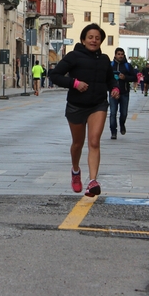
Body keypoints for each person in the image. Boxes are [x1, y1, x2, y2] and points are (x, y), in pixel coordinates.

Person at [50, 23, 119, 197]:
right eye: (90, 37)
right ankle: (75, 171)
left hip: (98, 105)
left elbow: (110, 79)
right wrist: (74, 83)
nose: (94, 40)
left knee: (94, 142)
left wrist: (115, 88)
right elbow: (55, 75)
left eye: (97, 38)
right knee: (78, 144)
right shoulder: (73, 56)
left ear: (101, 41)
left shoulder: (104, 59)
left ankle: (93, 181)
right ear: (83, 39)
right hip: (76, 106)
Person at [109, 48, 136, 139]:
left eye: (122, 54)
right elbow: (105, 78)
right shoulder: (110, 65)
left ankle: (122, 124)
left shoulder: (127, 66)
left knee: (123, 113)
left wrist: (125, 78)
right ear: (115, 55)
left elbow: (134, 77)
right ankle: (113, 131)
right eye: (118, 54)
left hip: (124, 92)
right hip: (113, 93)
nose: (120, 56)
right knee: (113, 113)